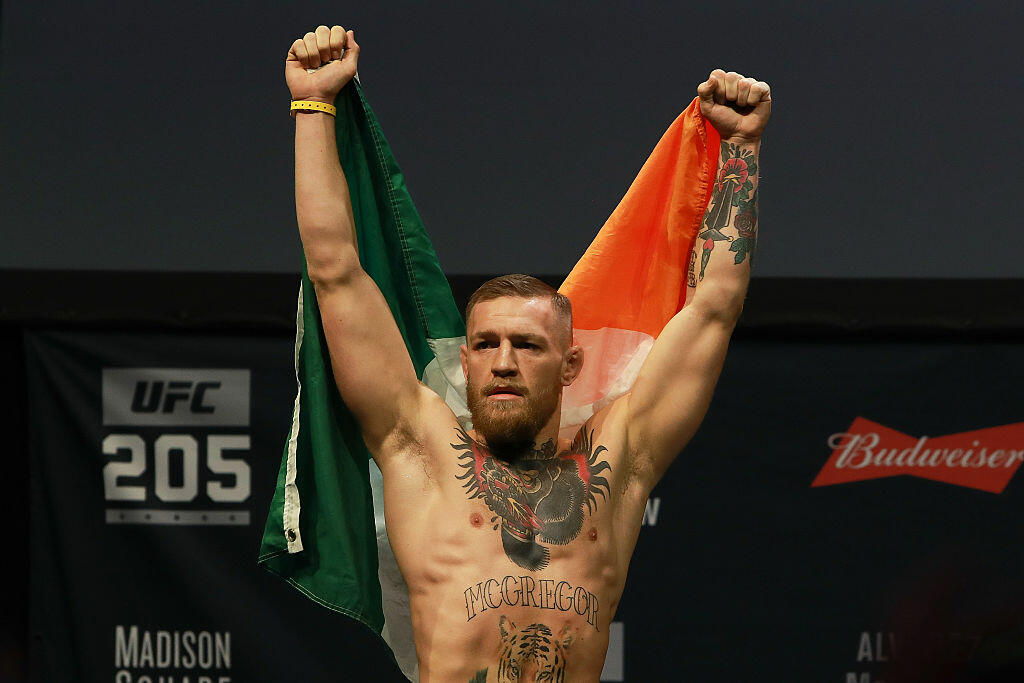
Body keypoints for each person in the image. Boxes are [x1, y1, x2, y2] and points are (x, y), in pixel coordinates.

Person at [286, 24, 770, 682]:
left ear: (570, 364)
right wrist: (313, 107)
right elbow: (335, 269)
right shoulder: (420, 446)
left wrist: (740, 147)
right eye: (485, 342)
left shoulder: (620, 455)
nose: (504, 360)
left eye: (527, 343)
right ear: (466, 361)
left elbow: (714, 304)